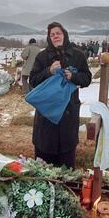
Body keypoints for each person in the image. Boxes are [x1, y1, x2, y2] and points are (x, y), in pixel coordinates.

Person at [29, 22, 92, 169]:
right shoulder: (42, 56)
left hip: (68, 114)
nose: (55, 36)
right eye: (52, 34)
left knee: (67, 162)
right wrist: (48, 71)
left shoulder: (77, 55)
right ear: (49, 38)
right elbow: (33, 80)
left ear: (64, 34)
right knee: (44, 165)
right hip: (46, 115)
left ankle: (67, 188)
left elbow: (87, 78)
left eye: (58, 33)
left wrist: (74, 77)